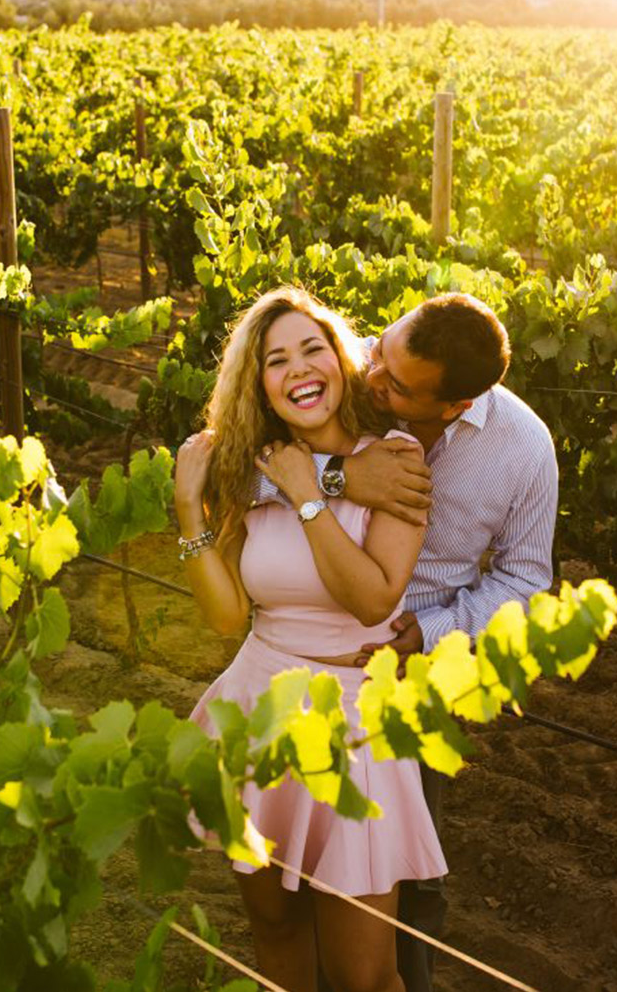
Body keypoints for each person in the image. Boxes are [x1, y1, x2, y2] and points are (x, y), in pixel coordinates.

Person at [252, 292, 559, 992]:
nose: (372, 379)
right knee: (287, 875)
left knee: (401, 881)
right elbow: (239, 466)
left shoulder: (522, 449)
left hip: (409, 675)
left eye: (395, 384)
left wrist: (430, 631)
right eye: (380, 352)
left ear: (449, 406)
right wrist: (340, 475)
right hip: (301, 648)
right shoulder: (347, 373)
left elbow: (525, 578)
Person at [174, 286, 447, 992]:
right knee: (276, 930)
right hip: (258, 705)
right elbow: (228, 615)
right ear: (259, 383)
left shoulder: (394, 459)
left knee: (364, 975)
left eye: (312, 347)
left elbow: (372, 597)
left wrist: (308, 494)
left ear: (341, 357)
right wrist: (188, 509)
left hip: (354, 723)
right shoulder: (254, 466)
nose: (299, 368)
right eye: (276, 358)